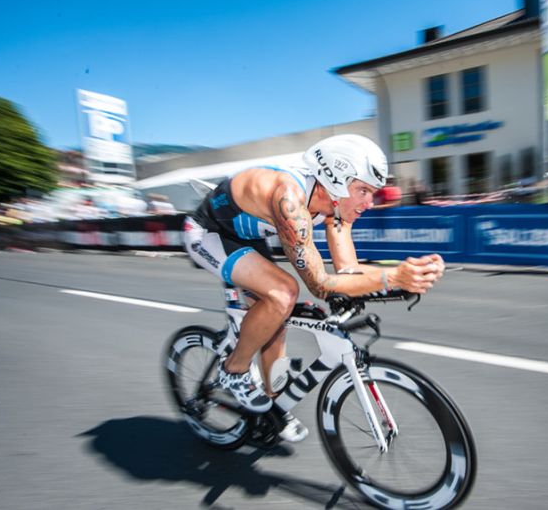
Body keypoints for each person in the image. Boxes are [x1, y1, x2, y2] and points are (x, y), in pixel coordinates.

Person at [183, 134, 445, 442]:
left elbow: (347, 273)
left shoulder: (338, 208)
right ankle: (234, 369)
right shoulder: (289, 199)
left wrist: (405, 277)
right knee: (283, 293)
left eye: (372, 192)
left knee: (275, 323)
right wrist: (393, 278)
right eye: (362, 190)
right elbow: (320, 284)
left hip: (247, 235)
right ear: (334, 182)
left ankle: (272, 408)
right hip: (208, 233)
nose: (370, 202)